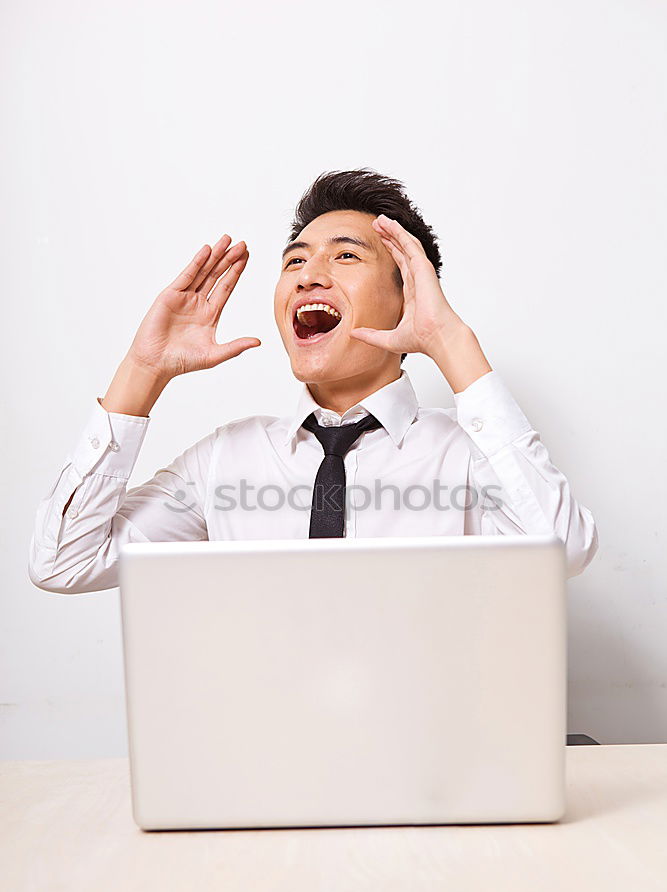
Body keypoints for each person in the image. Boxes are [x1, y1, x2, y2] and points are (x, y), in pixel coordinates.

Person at [28, 168, 598, 594]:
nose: (308, 277)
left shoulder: (465, 456)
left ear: (407, 296)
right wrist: (143, 372)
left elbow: (562, 548)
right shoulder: (225, 460)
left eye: (346, 257)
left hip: (428, 746)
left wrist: (451, 343)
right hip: (267, 746)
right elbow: (62, 562)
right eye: (295, 262)